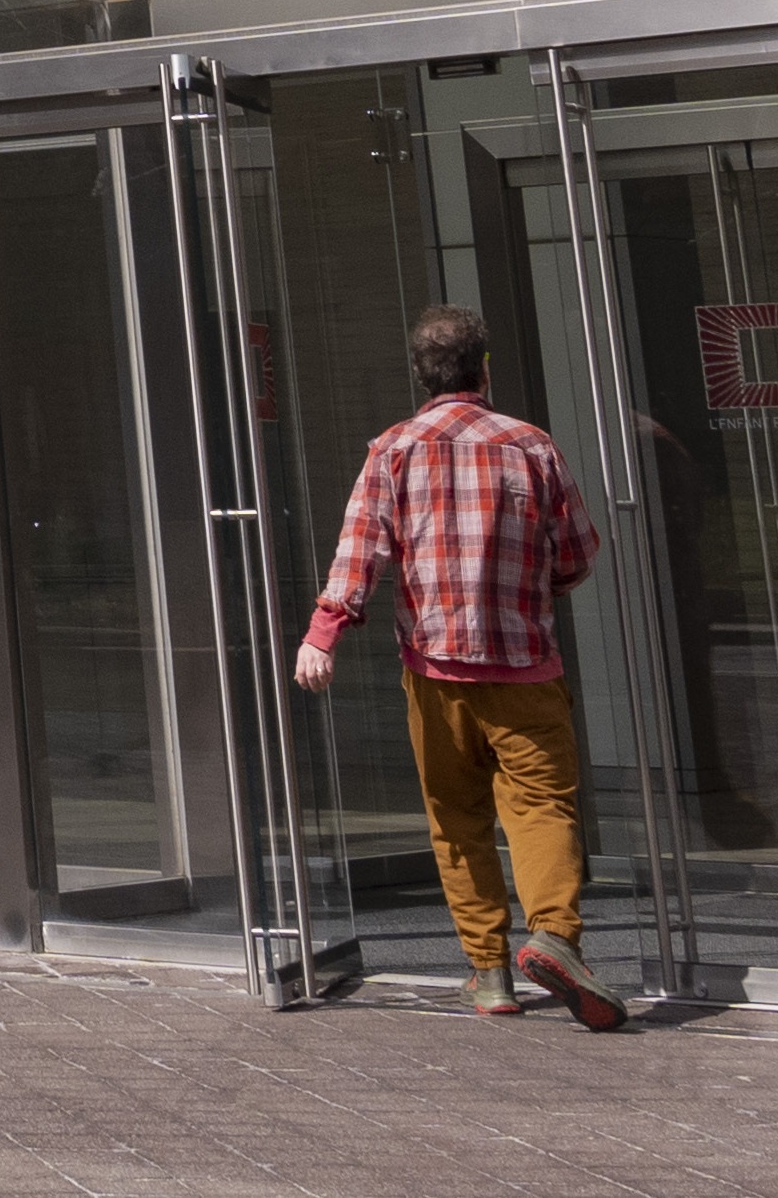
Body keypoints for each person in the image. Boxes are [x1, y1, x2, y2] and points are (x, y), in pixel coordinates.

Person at [294, 302, 625, 1028]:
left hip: (435, 673)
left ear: (422, 375)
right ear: (486, 368)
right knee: (541, 809)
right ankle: (554, 938)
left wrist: (325, 634)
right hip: (527, 667)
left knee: (458, 820)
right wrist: (534, 586)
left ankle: (491, 974)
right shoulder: (531, 445)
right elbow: (576, 555)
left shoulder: (393, 448)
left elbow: (362, 555)